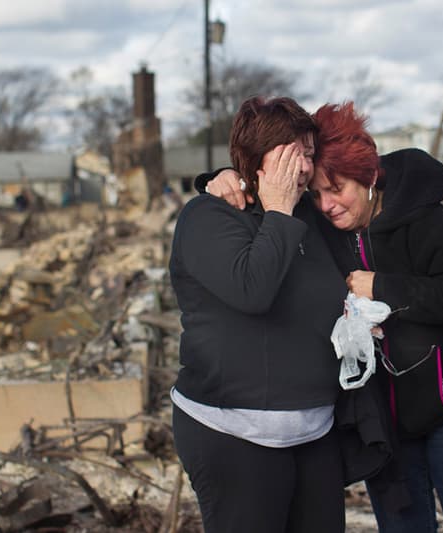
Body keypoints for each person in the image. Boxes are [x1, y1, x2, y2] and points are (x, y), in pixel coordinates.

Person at [207, 102, 443, 532]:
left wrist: (383, 286)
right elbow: (265, 192)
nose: (327, 205)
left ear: (367, 178)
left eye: (338, 189)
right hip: (384, 425)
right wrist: (221, 179)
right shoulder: (320, 225)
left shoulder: (424, 221)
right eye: (315, 194)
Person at [169, 96, 347, 533]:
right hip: (232, 432)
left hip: (314, 429)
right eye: (291, 153)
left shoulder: (311, 214)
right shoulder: (207, 217)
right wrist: (278, 208)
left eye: (308, 154)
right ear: (256, 157)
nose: (303, 167)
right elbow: (252, 290)